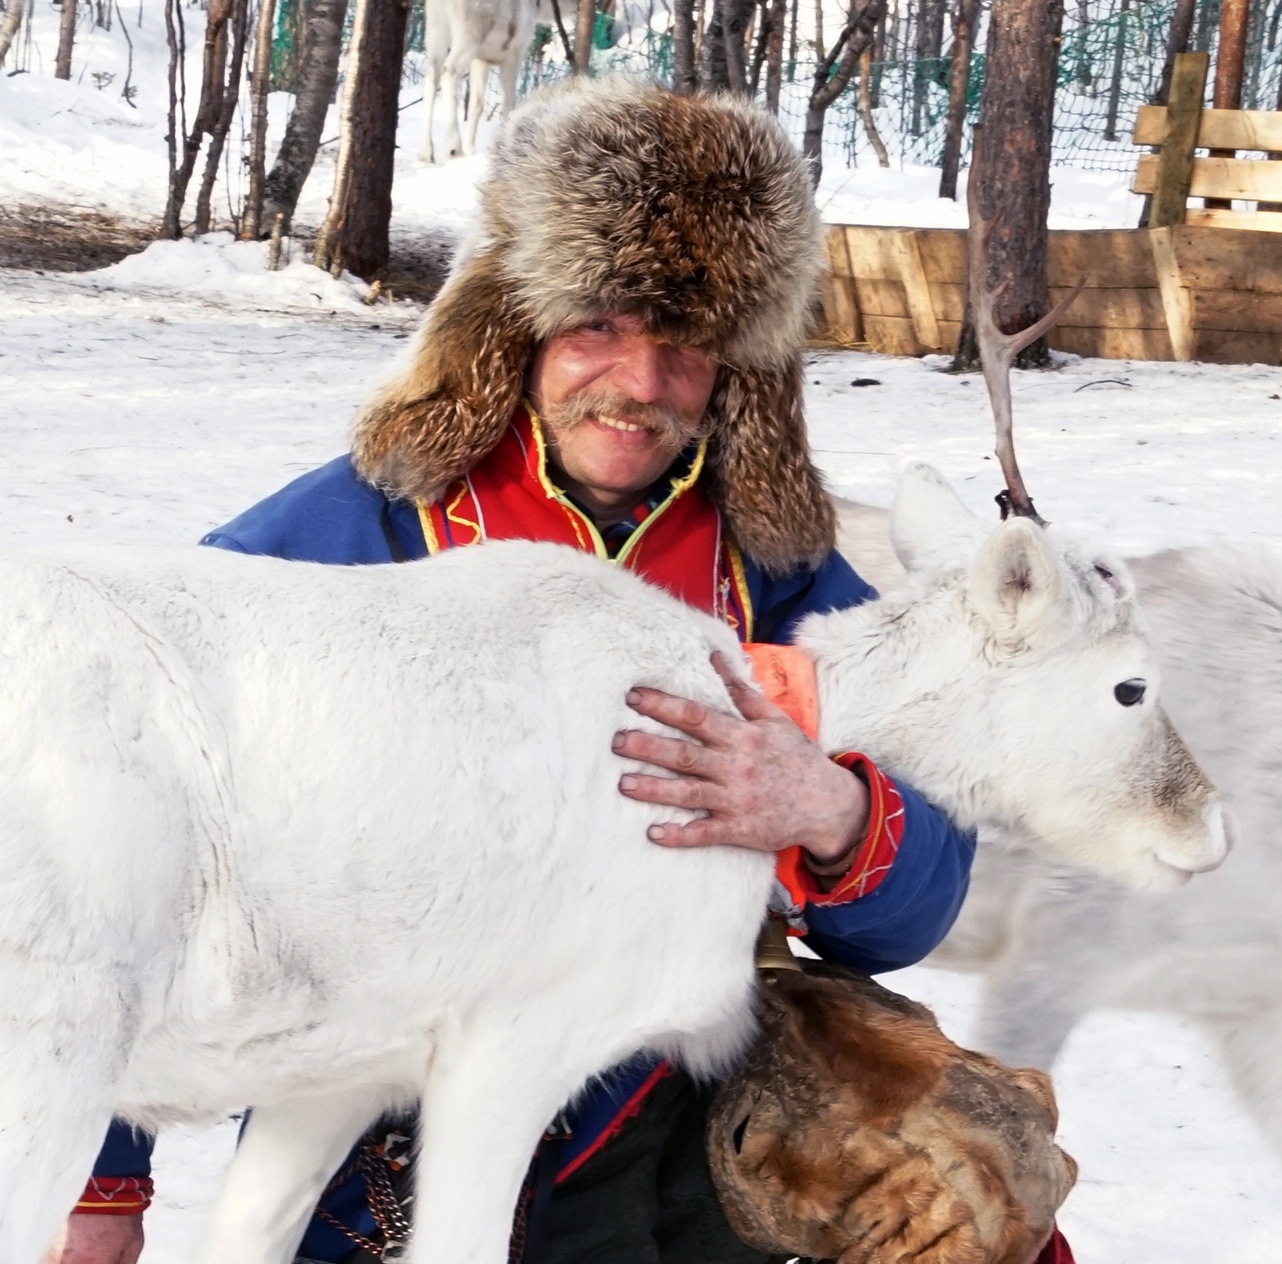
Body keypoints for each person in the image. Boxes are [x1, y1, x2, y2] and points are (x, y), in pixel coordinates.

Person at [50, 80, 976, 1264]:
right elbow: (119, 812)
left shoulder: (777, 581)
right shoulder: (356, 534)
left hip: (674, 1140)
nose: (639, 385)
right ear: (514, 324)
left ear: (739, 365)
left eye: (685, 344)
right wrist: (102, 1182)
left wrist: (832, 810)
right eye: (597, 324)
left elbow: (925, 894)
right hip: (380, 1126)